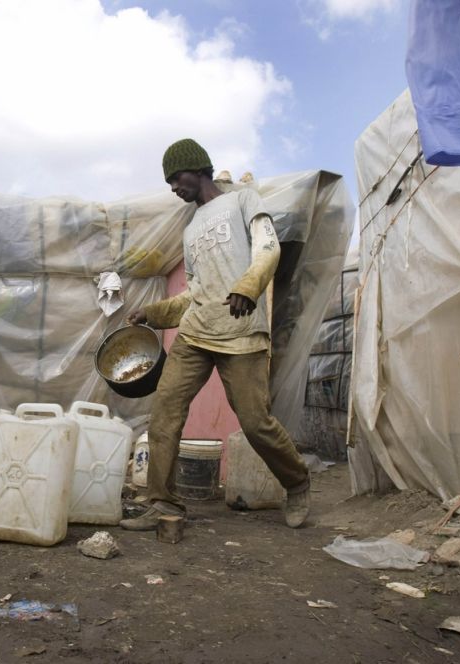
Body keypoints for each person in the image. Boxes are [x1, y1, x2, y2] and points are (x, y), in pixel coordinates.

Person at [119, 138, 311, 531]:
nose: (174, 187)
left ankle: (297, 482)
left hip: (241, 333)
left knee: (255, 422)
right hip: (195, 335)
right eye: (169, 182)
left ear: (199, 169)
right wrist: (153, 313)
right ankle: (164, 503)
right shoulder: (190, 230)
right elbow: (194, 293)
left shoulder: (243, 200)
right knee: (165, 415)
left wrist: (248, 286)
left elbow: (268, 249)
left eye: (177, 177)